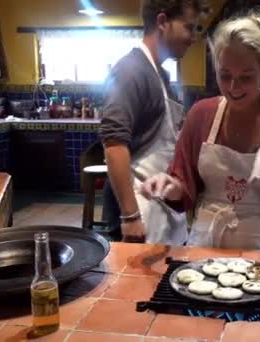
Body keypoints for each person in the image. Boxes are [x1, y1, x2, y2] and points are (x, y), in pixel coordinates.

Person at [141, 10, 260, 250]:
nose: (234, 87)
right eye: (225, 75)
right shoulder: (201, 114)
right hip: (204, 247)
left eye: (246, 77)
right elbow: (184, 185)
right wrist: (169, 186)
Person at [99, 0, 204, 243]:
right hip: (137, 210)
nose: (192, 38)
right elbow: (113, 143)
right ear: (162, 22)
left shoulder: (161, 75)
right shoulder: (131, 71)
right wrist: (130, 216)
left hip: (158, 204)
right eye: (189, 27)